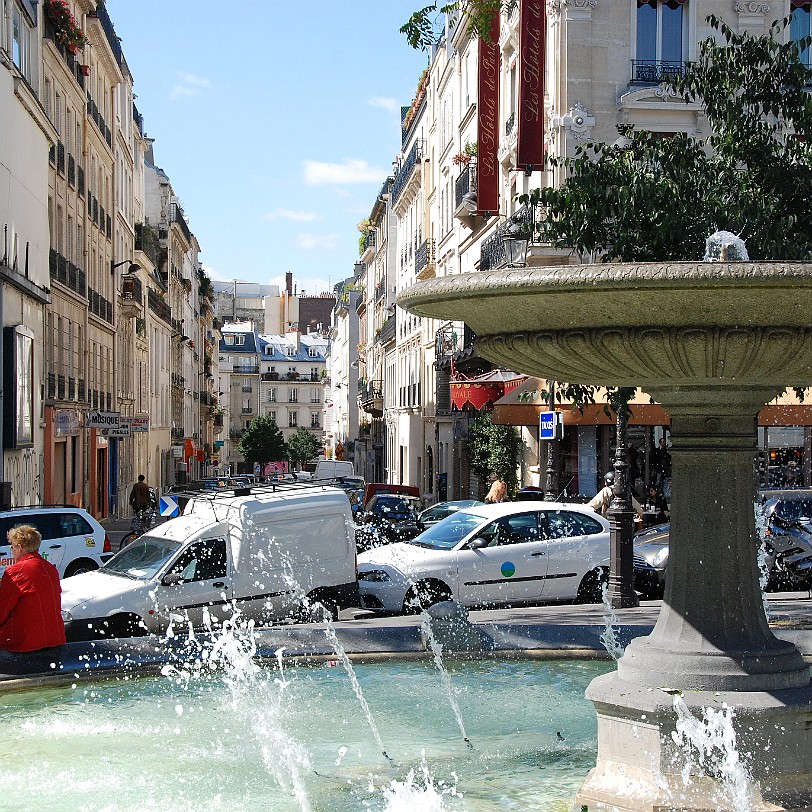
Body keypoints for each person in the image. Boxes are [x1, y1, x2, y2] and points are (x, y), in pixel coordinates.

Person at [0, 525, 66, 652]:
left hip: (26, 642)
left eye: (12, 547)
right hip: (54, 638)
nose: (12, 551)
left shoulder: (16, 571)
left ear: (19, 547)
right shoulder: (50, 568)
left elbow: (3, 609)